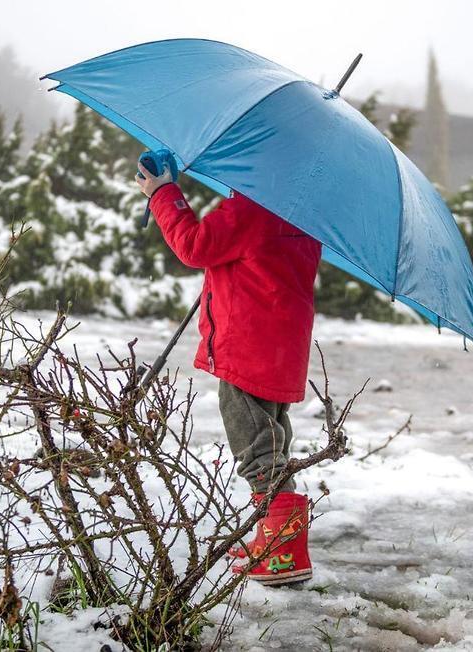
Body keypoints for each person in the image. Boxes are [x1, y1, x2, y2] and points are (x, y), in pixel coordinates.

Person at [136, 160, 322, 586]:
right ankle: (274, 536)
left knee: (255, 444)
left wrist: (163, 193)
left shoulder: (252, 208)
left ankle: (283, 556)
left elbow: (194, 245)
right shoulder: (302, 215)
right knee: (271, 439)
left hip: (247, 347)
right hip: (280, 349)